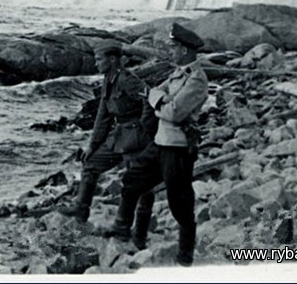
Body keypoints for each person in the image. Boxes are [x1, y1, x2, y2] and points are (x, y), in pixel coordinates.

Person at [101, 23, 208, 266]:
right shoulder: (178, 73)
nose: (170, 51)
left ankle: (185, 256)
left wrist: (160, 102)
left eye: (173, 47)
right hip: (160, 143)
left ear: (184, 50)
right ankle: (122, 231)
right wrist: (161, 101)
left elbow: (174, 113)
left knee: (179, 203)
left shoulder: (197, 79)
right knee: (131, 181)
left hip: (178, 148)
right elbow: (155, 95)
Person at [59, 39, 157, 248]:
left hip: (137, 138)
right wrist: (92, 146)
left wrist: (144, 129)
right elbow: (103, 116)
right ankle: (80, 210)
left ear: (112, 60)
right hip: (119, 134)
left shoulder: (128, 80)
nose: (96, 64)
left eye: (99, 59)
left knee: (139, 186)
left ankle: (134, 233)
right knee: (91, 164)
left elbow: (150, 99)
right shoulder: (108, 79)